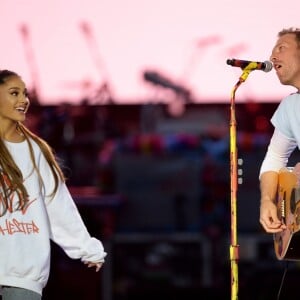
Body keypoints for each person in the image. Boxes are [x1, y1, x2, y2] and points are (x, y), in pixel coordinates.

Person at [0, 69, 107, 300]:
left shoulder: (35, 151)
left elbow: (56, 201)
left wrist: (85, 248)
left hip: (20, 273)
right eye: (14, 95)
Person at [259, 27, 300, 233]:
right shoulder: (289, 107)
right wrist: (267, 200)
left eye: (281, 48)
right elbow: (275, 158)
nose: (273, 57)